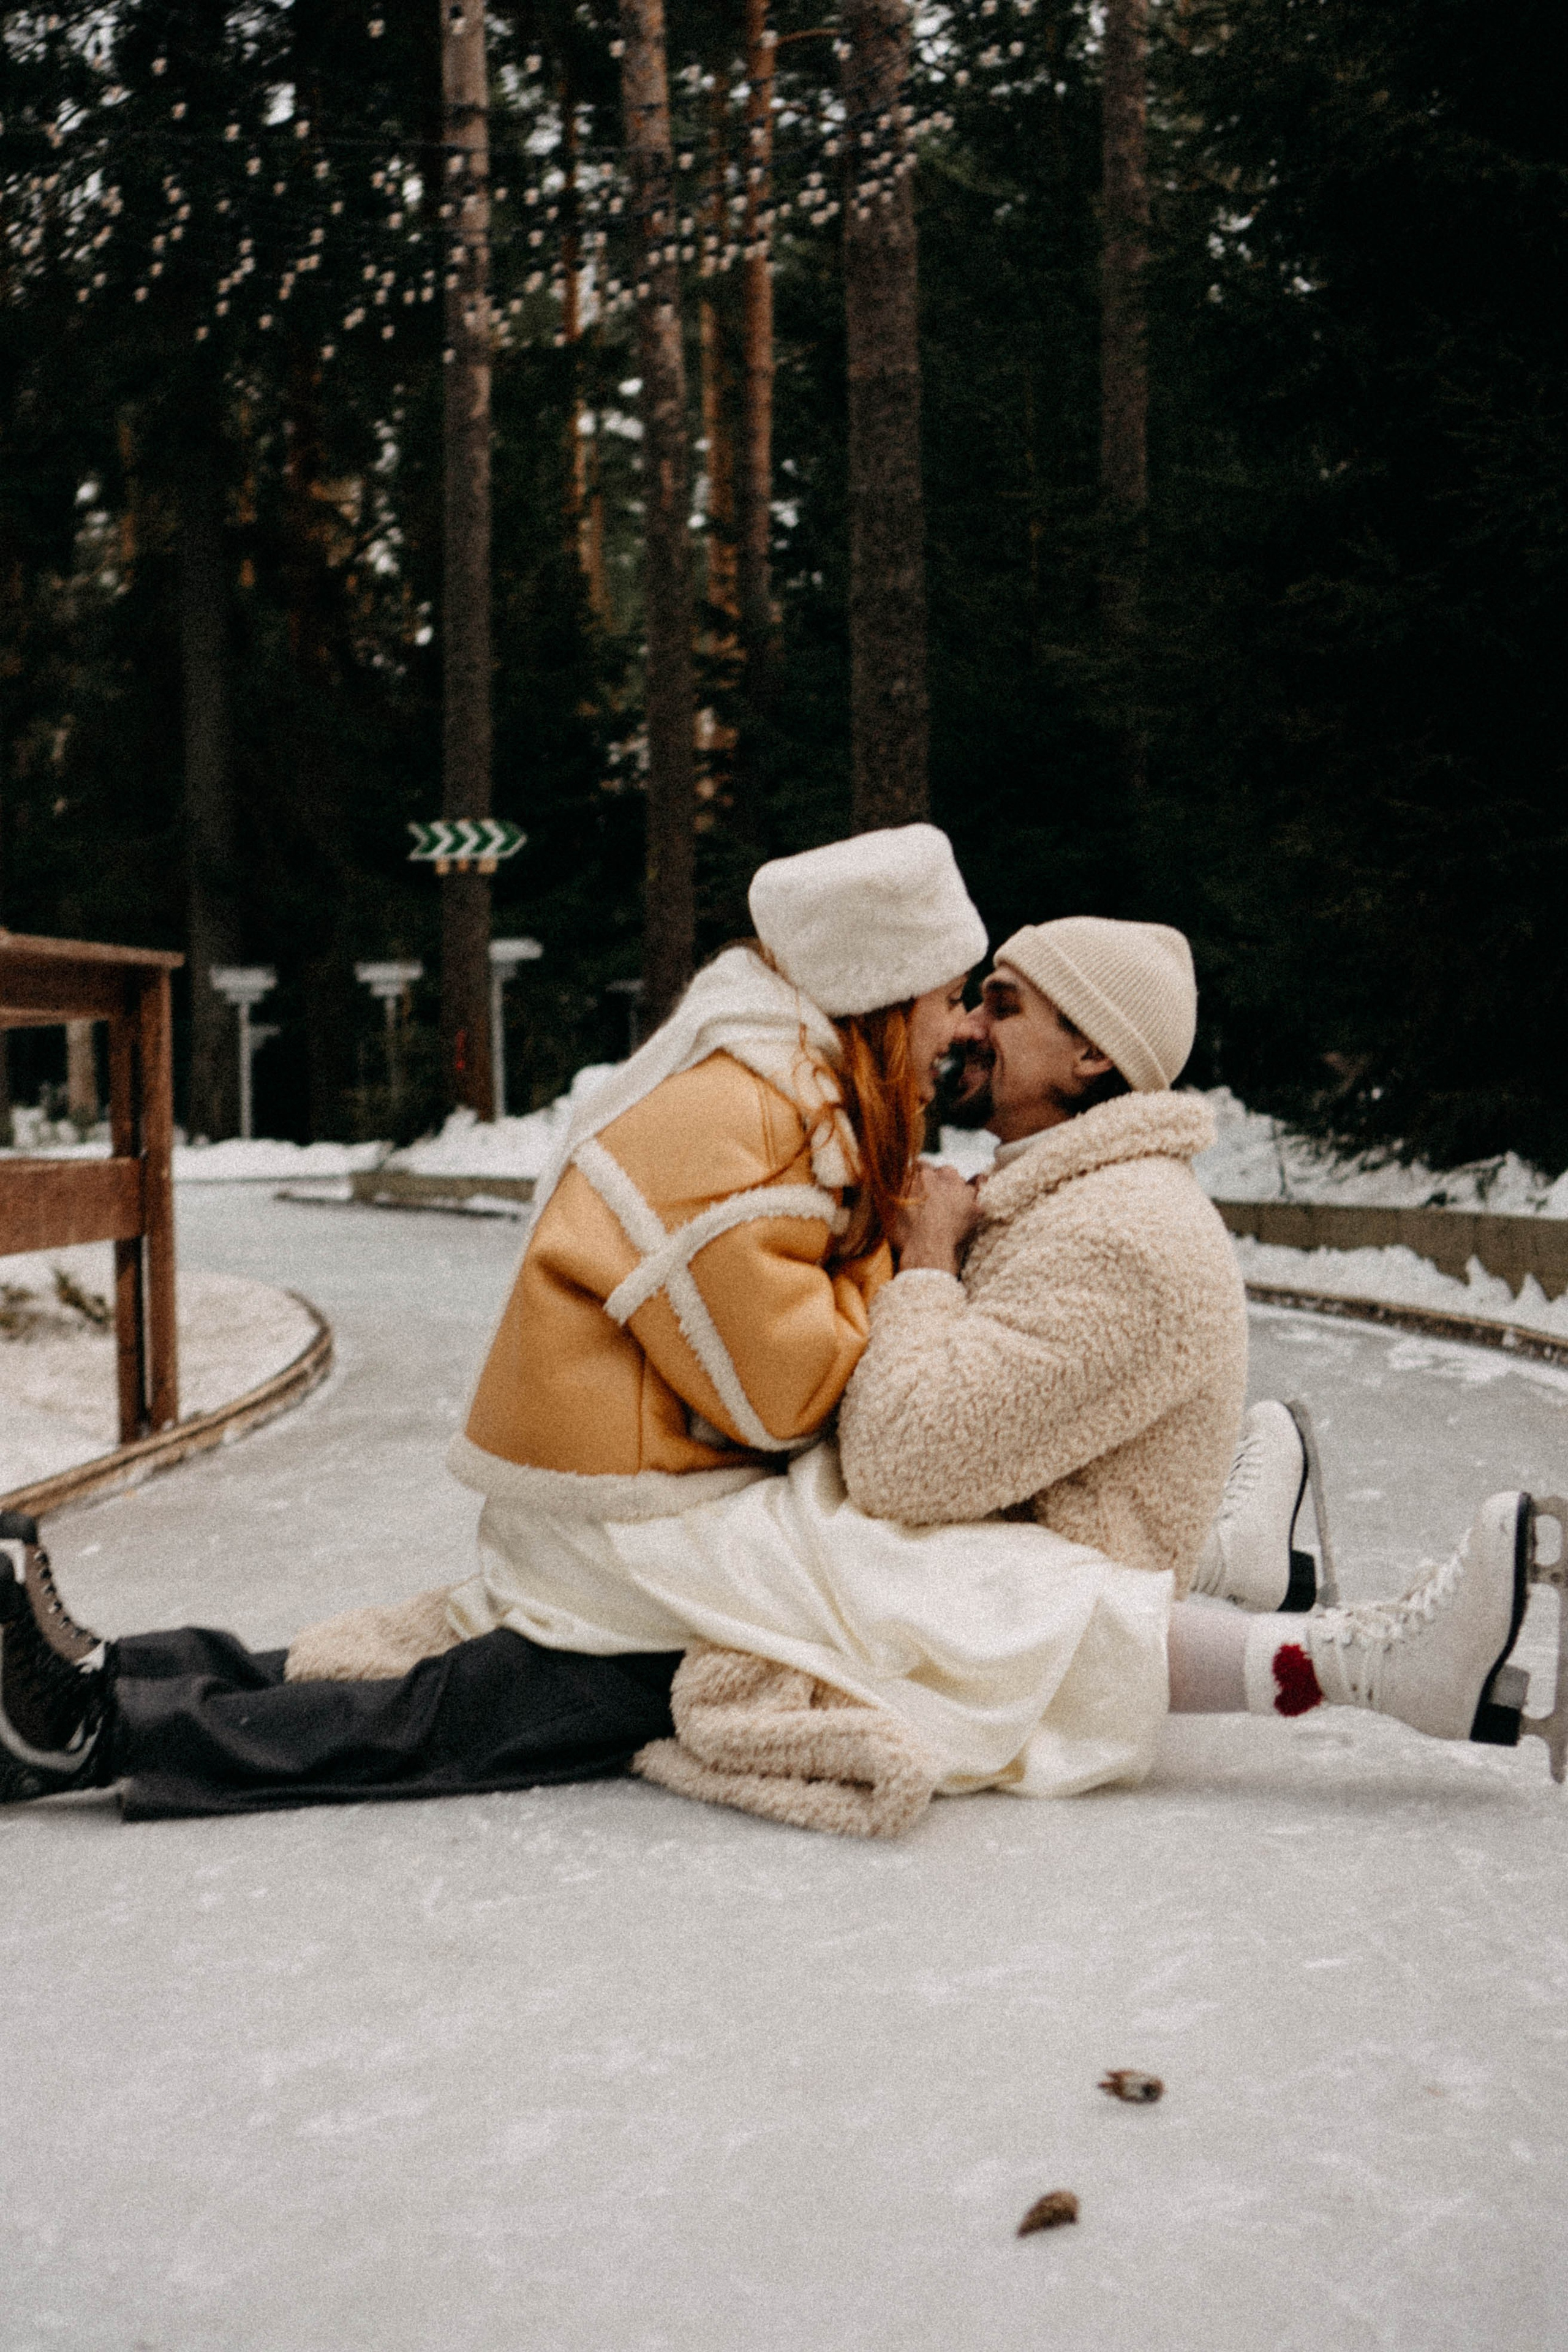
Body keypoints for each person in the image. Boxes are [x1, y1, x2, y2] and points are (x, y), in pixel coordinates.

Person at [0, 823, 986, 1817]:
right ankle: (95, 1728)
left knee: (431, 1663)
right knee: (497, 1711)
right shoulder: (763, 1118)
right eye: (950, 996)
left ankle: (102, 1675)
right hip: (634, 1522)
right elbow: (786, 1397)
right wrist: (911, 1265)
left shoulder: (766, 1091)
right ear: (887, 989)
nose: (961, 1029)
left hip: (631, 1497)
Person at [627, 917, 1555, 1830]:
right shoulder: (1062, 1191)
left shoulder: (1121, 1236)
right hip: (1040, 1517)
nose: (964, 1028)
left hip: (1041, 1579)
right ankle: (1237, 1554)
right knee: (708, 1548)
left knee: (716, 1568)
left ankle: (1372, 1662)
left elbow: (901, 1467)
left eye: (1002, 1006)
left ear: (1091, 1060)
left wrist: (928, 1265)